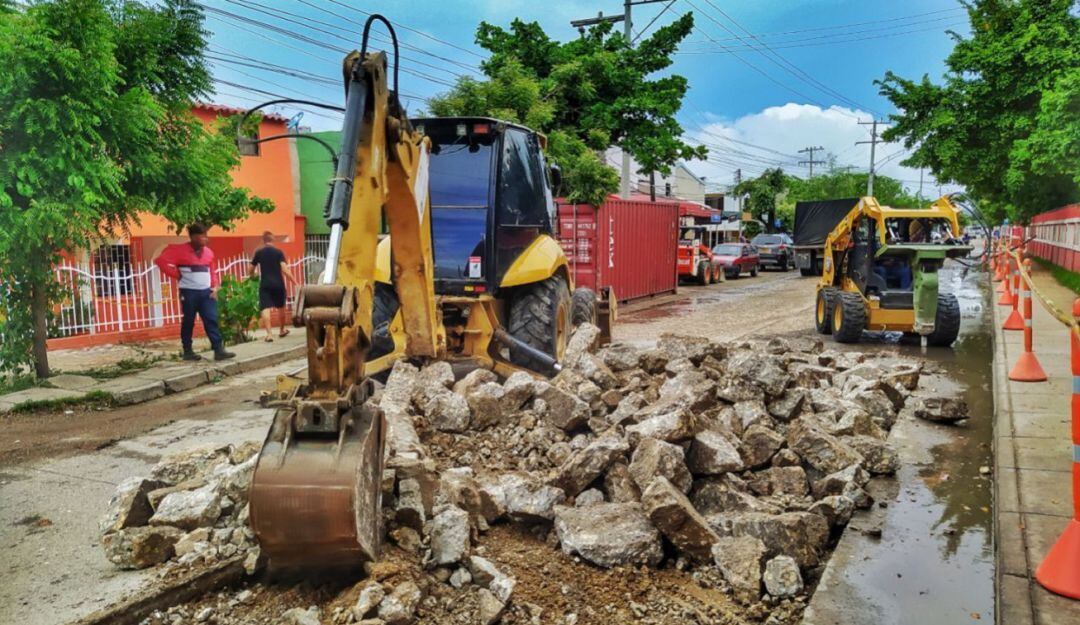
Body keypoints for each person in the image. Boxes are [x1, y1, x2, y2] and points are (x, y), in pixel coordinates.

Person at [154, 223, 235, 361]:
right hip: (189, 292)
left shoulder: (208, 252)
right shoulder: (179, 250)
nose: (205, 239)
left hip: (207, 293)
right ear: (192, 237)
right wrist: (176, 274)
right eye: (201, 236)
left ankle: (218, 350)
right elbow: (161, 261)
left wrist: (215, 286)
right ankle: (188, 351)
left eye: (205, 236)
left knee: (211, 319)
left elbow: (212, 270)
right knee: (189, 321)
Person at [250, 231, 297, 342]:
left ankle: (269, 334)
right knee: (281, 307)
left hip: (265, 284)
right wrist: (295, 282)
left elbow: (250, 269)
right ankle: (282, 330)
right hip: (278, 284)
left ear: (264, 240)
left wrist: (252, 275)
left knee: (265, 307)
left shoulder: (259, 252)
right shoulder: (278, 253)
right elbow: (284, 269)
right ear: (273, 240)